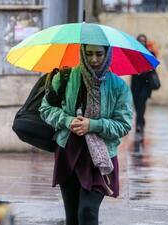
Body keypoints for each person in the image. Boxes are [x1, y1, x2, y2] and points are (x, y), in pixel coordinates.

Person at [39, 44, 132, 225]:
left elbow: (123, 125)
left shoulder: (118, 86)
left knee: (87, 212)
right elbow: (45, 109)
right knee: (72, 217)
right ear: (82, 53)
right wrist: (67, 120)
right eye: (89, 54)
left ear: (107, 54)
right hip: (69, 153)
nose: (94, 60)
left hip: (100, 158)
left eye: (99, 54)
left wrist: (93, 125)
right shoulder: (64, 78)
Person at [131, 34, 155, 136]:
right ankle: (141, 121)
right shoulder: (133, 54)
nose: (142, 42)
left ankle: (138, 125)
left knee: (142, 104)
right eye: (140, 40)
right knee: (137, 105)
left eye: (143, 41)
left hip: (146, 84)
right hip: (136, 84)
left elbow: (153, 67)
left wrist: (144, 71)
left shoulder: (150, 53)